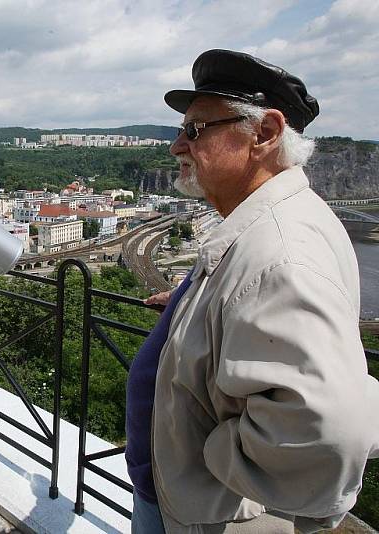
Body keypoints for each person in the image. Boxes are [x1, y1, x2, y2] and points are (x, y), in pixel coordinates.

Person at [125, 49, 379, 533]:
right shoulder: (264, 229)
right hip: (190, 505)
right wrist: (189, 304)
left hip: (214, 514)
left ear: (263, 134)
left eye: (195, 129)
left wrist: (204, 458)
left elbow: (329, 434)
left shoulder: (281, 255)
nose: (177, 146)